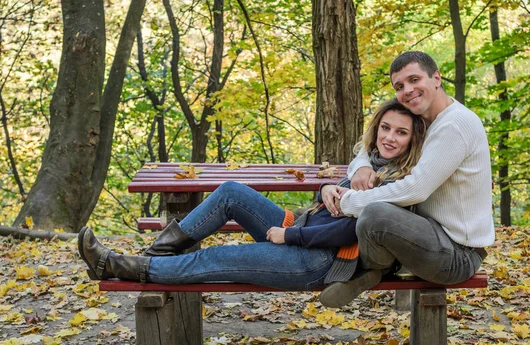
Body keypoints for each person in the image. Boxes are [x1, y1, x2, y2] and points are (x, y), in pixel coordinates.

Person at [78, 99, 427, 291]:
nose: (390, 137)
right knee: (231, 192)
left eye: (401, 133)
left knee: (218, 259)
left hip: (319, 260)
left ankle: (117, 266)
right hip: (302, 230)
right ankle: (157, 255)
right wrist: (326, 188)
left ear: (413, 140)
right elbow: (339, 195)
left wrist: (290, 234)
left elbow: (349, 232)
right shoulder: (370, 163)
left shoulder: (402, 181)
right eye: (385, 128)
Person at [318, 51, 495, 308]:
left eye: (414, 79)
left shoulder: (455, 125)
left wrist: (350, 202)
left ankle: (370, 267)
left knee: (375, 215)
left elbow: (417, 189)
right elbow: (369, 148)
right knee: (343, 212)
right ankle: (363, 262)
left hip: (457, 254)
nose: (407, 90)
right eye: (399, 86)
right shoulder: (425, 120)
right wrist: (361, 168)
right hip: (424, 233)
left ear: (436, 78)